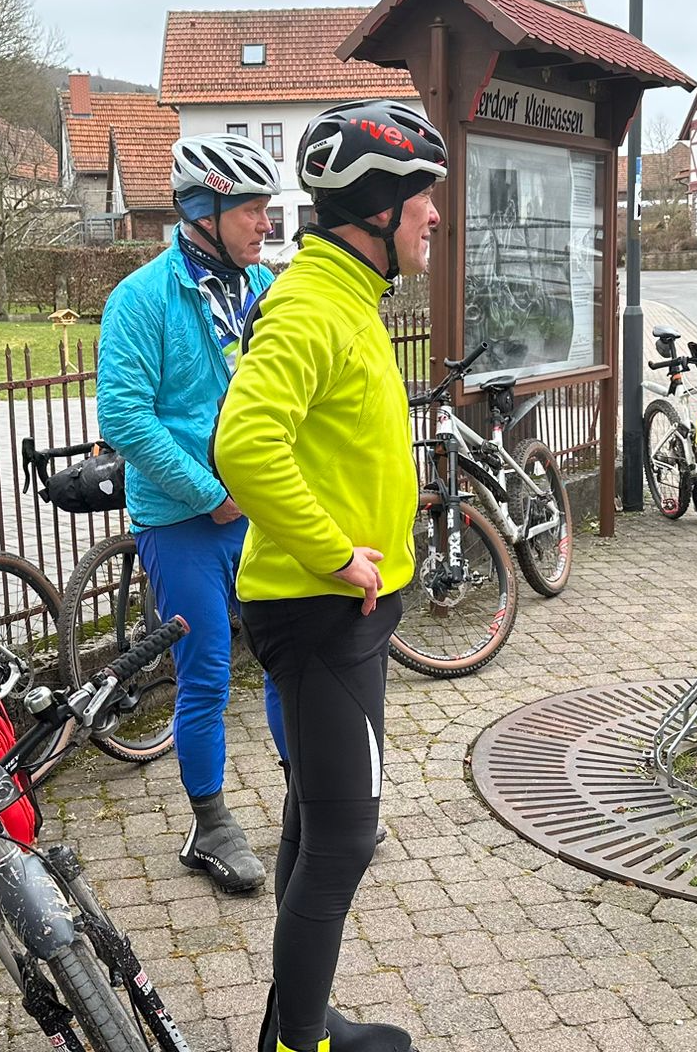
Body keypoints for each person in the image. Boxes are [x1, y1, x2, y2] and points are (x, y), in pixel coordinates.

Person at [215, 99, 446, 1052]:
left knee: (315, 824)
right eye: (424, 198)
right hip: (319, 611)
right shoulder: (314, 304)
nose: (435, 215)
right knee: (346, 838)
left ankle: (294, 1021)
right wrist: (333, 552)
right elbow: (244, 444)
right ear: (379, 208)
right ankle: (296, 1044)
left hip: (342, 613)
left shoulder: (348, 295)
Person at [97, 132, 289, 894]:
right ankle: (210, 825)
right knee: (207, 670)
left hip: (259, 511)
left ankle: (308, 799)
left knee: (285, 657)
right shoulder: (142, 298)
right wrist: (211, 493)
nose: (265, 222)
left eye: (266, 207)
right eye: (250, 208)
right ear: (202, 211)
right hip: (180, 521)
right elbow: (125, 416)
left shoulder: (264, 288)